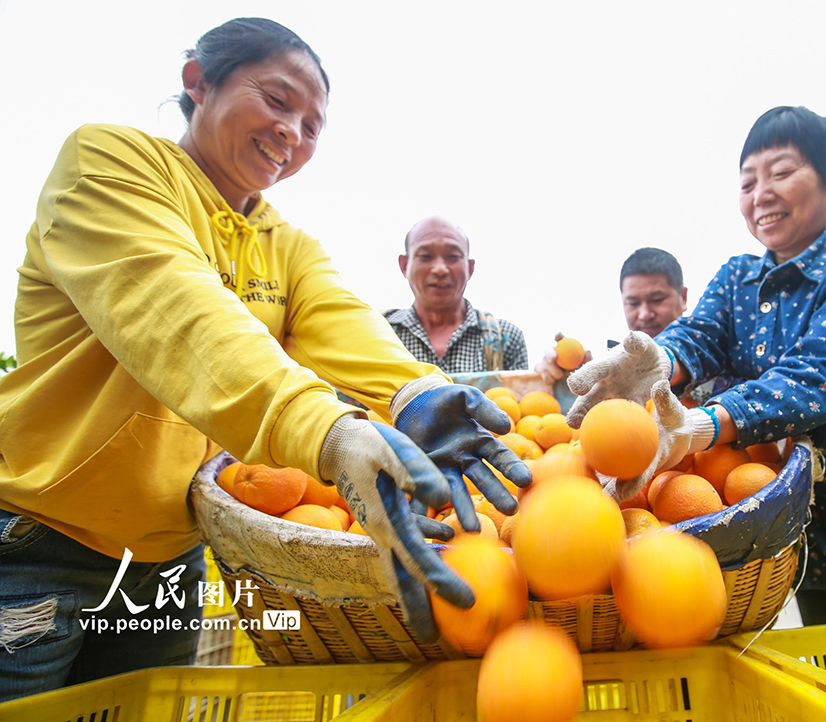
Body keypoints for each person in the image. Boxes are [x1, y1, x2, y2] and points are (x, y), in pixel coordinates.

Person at [0, 18, 528, 702]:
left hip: (167, 556)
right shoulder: (108, 165)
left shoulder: (286, 244)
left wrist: (416, 394)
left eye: (312, 126)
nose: (292, 134)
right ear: (199, 81)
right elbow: (179, 314)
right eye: (278, 102)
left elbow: (341, 323)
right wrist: (330, 432)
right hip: (43, 542)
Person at [566, 106, 826, 627]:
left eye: (782, 173)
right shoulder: (738, 277)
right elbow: (698, 335)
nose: (761, 193)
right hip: (811, 557)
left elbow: (820, 374)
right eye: (747, 182)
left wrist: (705, 425)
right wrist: (661, 360)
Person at [386, 215, 529, 374]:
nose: (440, 269)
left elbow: (524, 398)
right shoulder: (380, 335)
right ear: (404, 266)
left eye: (453, 256)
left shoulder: (506, 339)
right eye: (425, 256)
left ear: (470, 268)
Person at [533, 247, 687, 385]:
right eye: (633, 303)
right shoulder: (614, 373)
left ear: (683, 297)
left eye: (657, 300)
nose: (645, 314)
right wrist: (567, 376)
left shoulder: (708, 361)